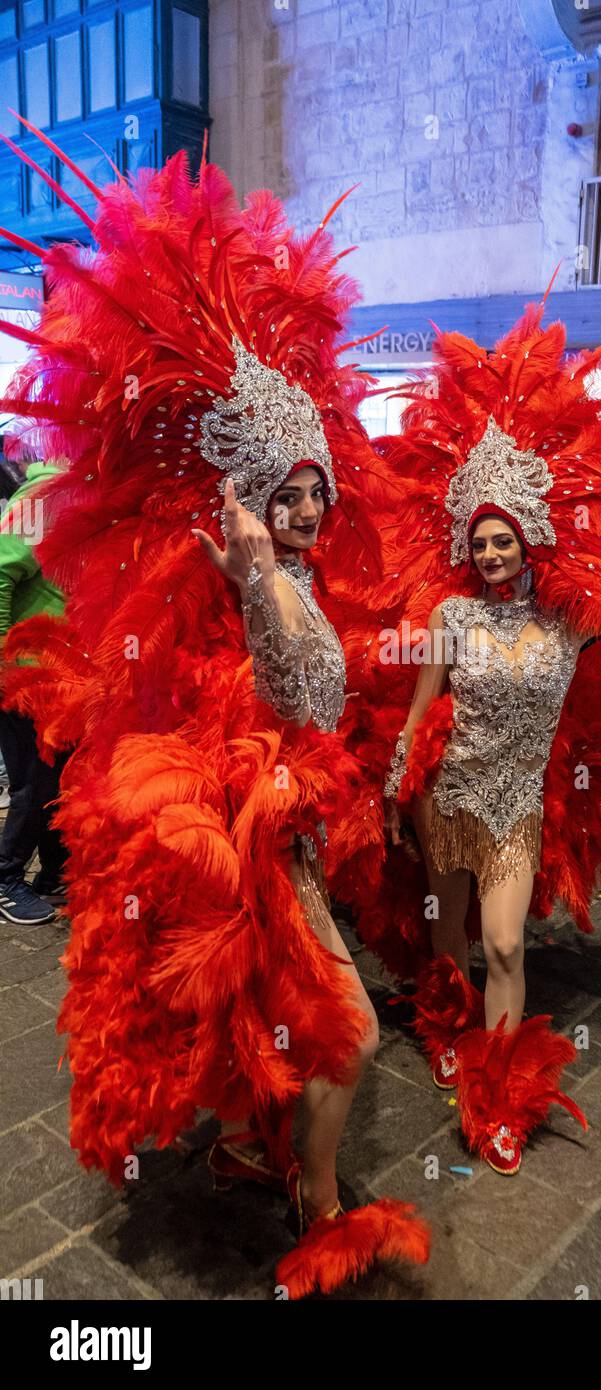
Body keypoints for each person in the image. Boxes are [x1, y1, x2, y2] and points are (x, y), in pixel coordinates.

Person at [0, 133, 428, 1297]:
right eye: (281, 496)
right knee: (348, 1033)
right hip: (237, 846)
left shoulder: (290, 581)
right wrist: (247, 581)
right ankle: (318, 1193)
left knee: (281, 1018)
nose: (301, 511)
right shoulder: (237, 584)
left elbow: (314, 707)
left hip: (284, 837)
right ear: (245, 498)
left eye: (312, 495)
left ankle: (256, 1143)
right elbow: (294, 692)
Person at [367, 305, 601, 1176]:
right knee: (445, 940)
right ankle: (445, 1031)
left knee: (508, 946)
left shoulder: (566, 619)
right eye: (478, 541)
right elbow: (418, 712)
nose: (490, 553)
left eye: (503, 540)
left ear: (528, 542)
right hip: (447, 800)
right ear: (466, 546)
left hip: (517, 806)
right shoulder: (447, 615)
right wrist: (396, 787)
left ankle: (494, 1098)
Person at [0, 458, 67, 923]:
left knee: (56, 780)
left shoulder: (87, 496)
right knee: (31, 783)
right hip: (25, 675)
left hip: (63, 680)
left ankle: (53, 875)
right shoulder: (44, 498)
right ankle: (4, 878)